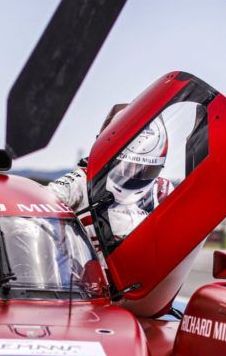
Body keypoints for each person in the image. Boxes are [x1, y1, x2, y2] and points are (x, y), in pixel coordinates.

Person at [49, 103, 173, 248]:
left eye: (144, 169)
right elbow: (38, 204)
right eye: (127, 168)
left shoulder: (162, 191)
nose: (135, 175)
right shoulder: (80, 182)